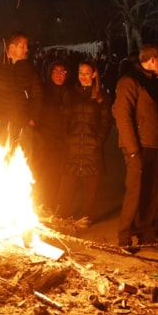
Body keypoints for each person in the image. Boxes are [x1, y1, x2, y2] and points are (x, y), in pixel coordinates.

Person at [112, 44, 158, 252]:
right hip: (139, 146)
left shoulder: (153, 82)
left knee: (154, 192)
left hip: (157, 145)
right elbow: (122, 116)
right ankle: (124, 237)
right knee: (136, 191)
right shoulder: (130, 81)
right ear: (152, 60)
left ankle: (147, 235)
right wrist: (132, 149)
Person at [54, 61, 114, 223]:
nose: (83, 76)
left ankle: (86, 217)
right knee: (67, 185)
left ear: (94, 74)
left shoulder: (102, 97)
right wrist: (67, 139)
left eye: (87, 73)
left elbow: (106, 122)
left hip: (92, 148)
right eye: (81, 72)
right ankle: (61, 215)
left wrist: (98, 141)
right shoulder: (71, 94)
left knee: (91, 188)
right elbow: (64, 119)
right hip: (72, 147)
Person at [0, 31, 43, 149]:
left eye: (26, 46)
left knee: (22, 161)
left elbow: (38, 95)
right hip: (0, 125)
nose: (26, 49)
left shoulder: (29, 69)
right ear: (12, 47)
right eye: (22, 46)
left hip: (23, 125)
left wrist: (33, 119)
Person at [34, 61, 72, 210]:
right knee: (43, 176)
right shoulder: (43, 92)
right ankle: (42, 205)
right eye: (56, 72)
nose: (59, 75)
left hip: (62, 142)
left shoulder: (69, 93)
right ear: (50, 73)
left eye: (63, 72)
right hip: (45, 141)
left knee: (56, 177)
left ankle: (52, 206)